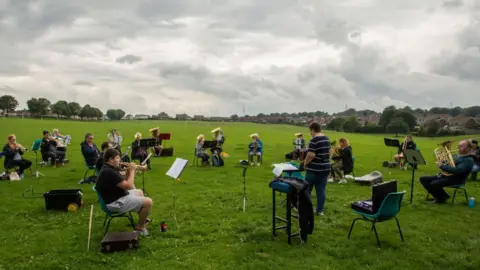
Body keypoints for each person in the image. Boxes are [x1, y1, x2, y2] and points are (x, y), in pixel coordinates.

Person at [96, 148, 153, 236]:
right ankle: (140, 228)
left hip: (116, 196)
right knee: (148, 202)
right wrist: (132, 170)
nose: (120, 160)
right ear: (111, 159)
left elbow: (124, 183)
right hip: (114, 203)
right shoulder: (109, 172)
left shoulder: (109, 168)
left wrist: (127, 173)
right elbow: (129, 186)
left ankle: (143, 219)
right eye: (117, 158)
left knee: (140, 192)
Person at [303, 122, 331, 216]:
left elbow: (311, 155)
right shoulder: (327, 138)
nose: (309, 133)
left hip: (314, 169)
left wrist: (305, 163)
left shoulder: (313, 140)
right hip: (326, 168)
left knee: (306, 189)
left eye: (309, 130)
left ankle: (306, 209)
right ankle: (320, 211)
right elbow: (329, 152)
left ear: (312, 129)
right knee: (321, 190)